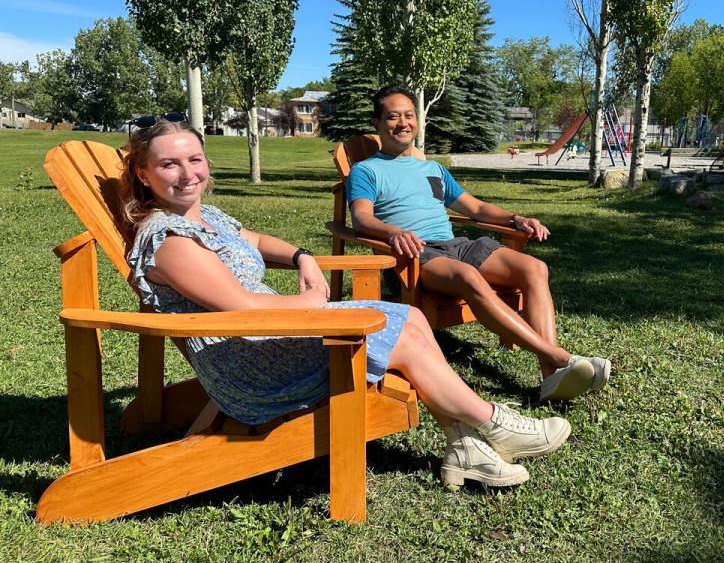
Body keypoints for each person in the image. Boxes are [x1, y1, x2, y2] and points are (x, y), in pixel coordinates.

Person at [120, 119, 572, 488]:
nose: (187, 173)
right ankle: (494, 423)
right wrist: (312, 301)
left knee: (409, 317)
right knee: (402, 334)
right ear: (144, 174)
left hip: (276, 335)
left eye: (194, 159)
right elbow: (240, 307)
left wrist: (302, 257)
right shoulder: (169, 240)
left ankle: (466, 447)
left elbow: (253, 239)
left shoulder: (202, 216)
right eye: (169, 165)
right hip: (258, 363)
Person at [346, 85, 612, 402]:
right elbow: (361, 218)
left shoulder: (433, 169)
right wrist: (393, 233)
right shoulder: (366, 170)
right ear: (377, 123)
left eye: (409, 115)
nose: (403, 123)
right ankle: (561, 358)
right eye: (393, 116)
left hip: (457, 245)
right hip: (416, 254)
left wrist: (516, 219)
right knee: (469, 277)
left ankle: (550, 376)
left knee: (535, 269)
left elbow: (475, 209)